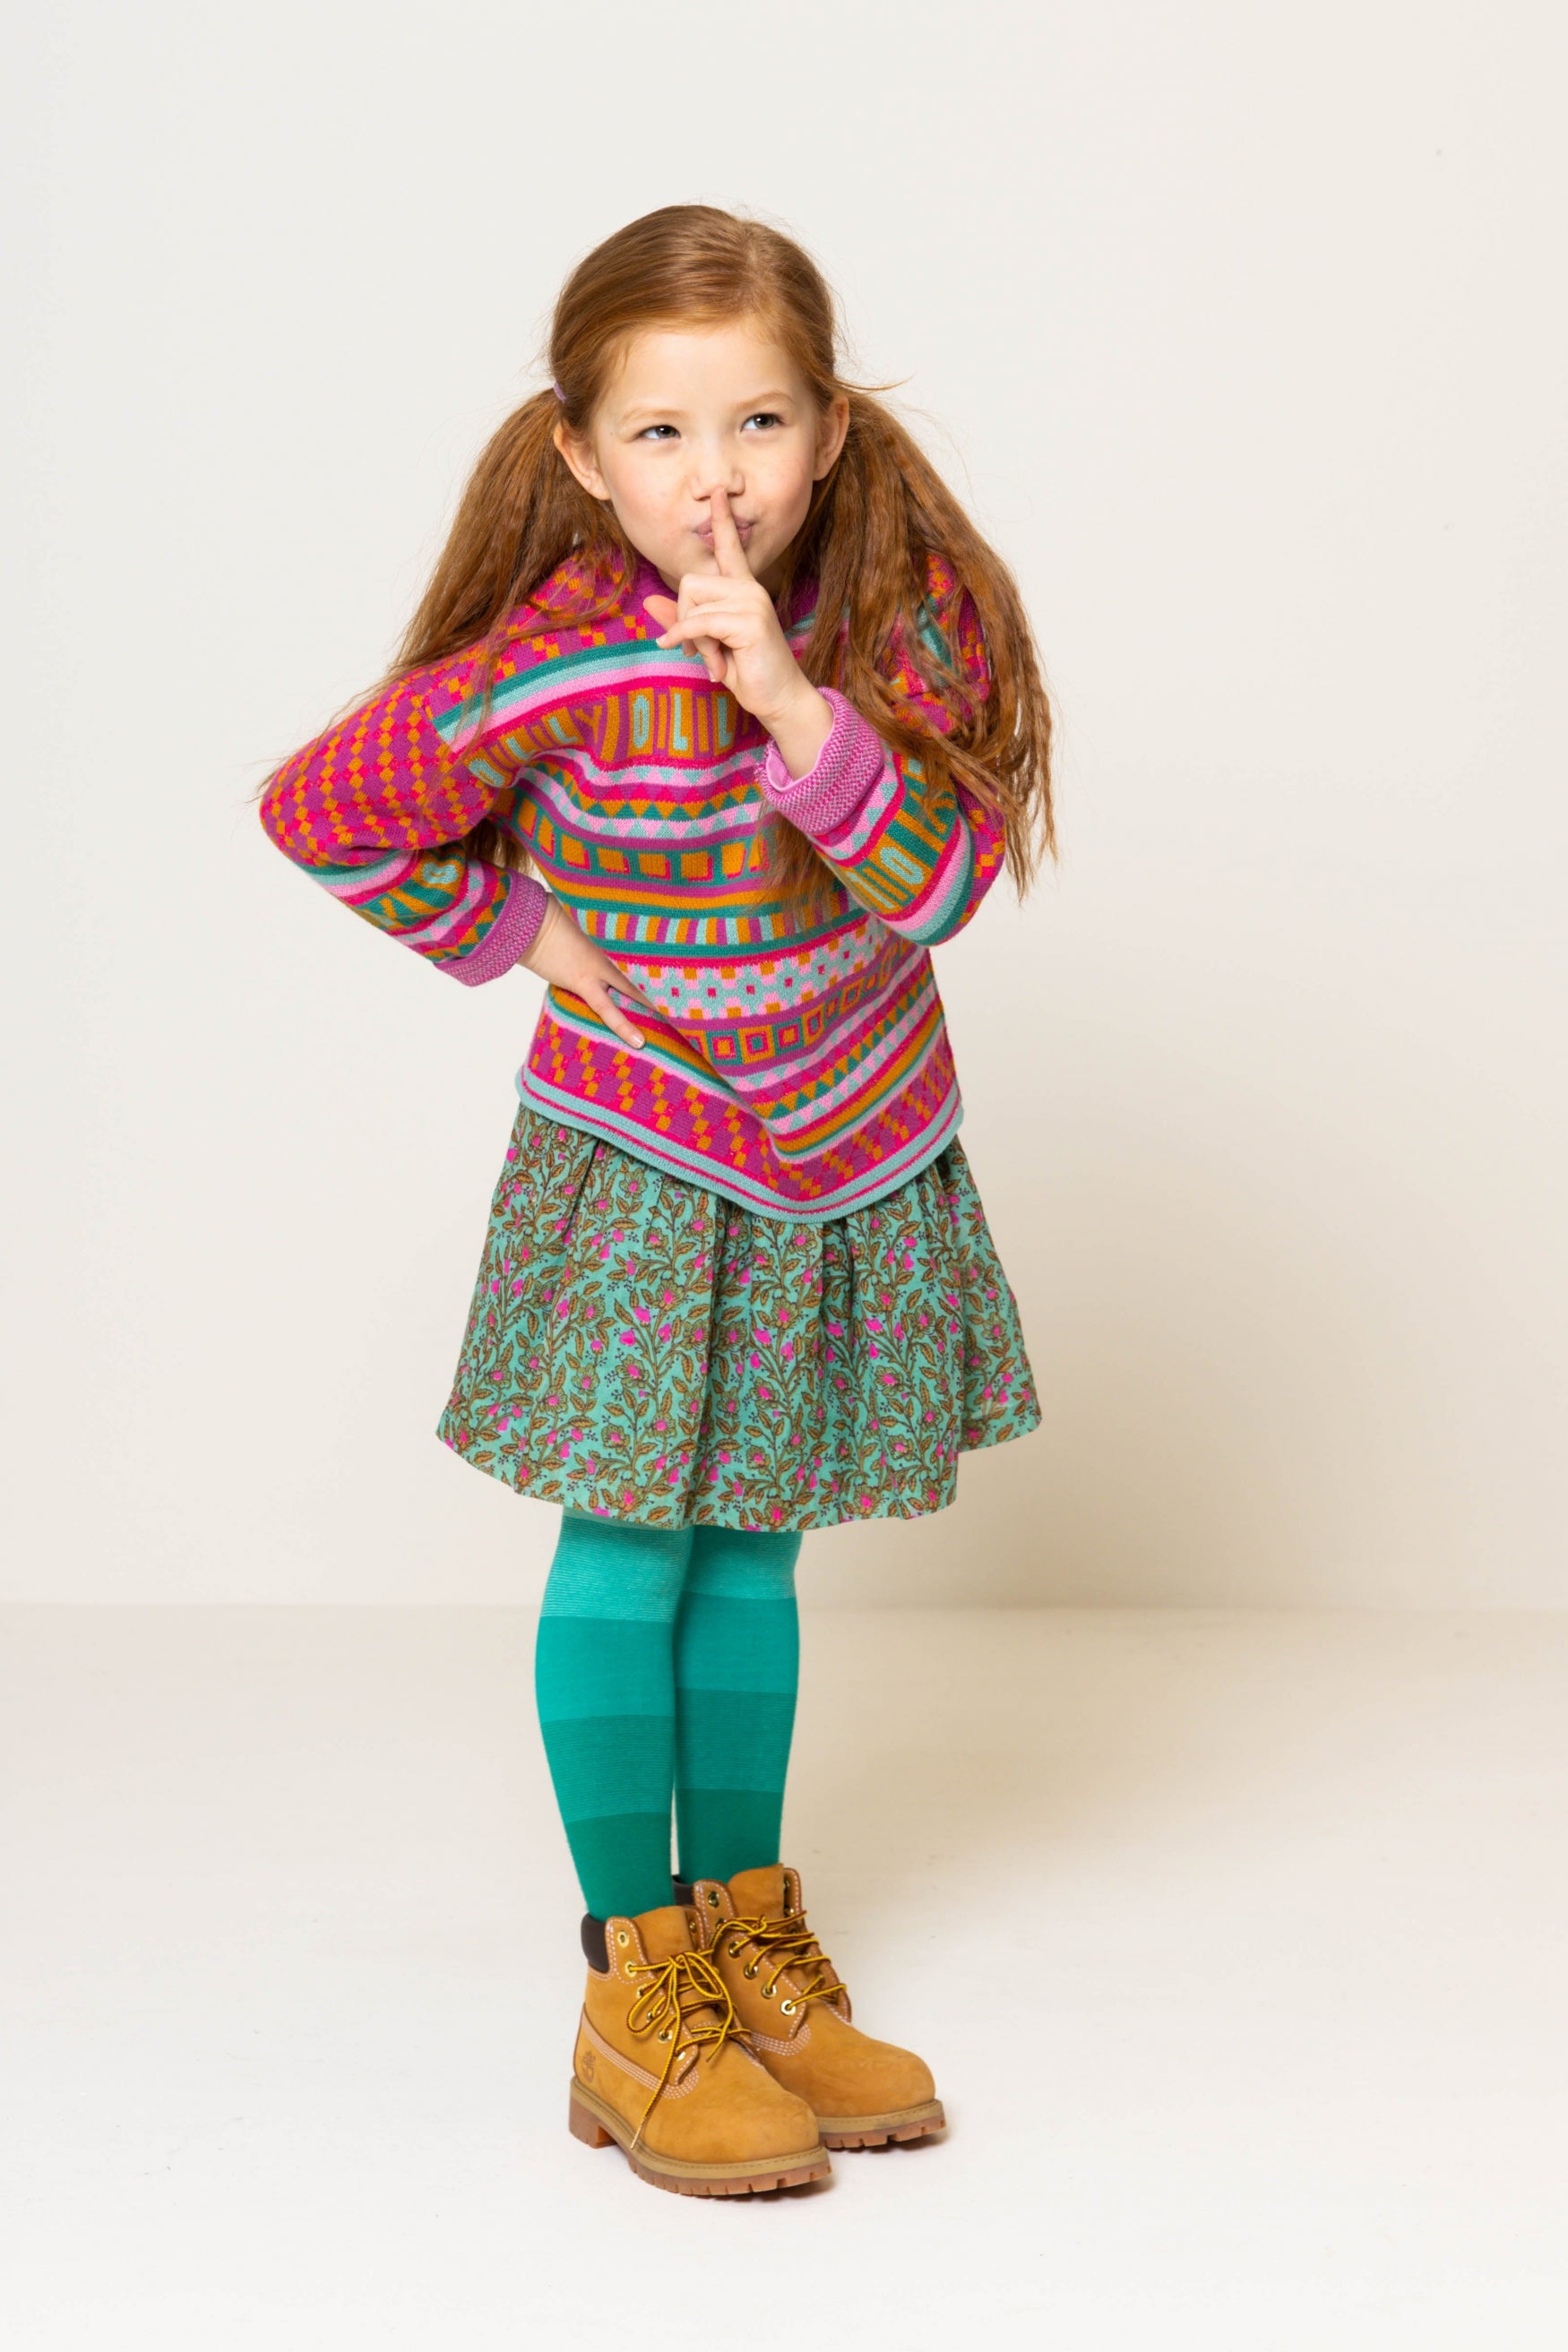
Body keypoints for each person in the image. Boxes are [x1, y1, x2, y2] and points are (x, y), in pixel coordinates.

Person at [258, 204, 1055, 2199]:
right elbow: (320, 807)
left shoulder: (895, 626)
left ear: (830, 428)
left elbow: (944, 888)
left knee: (753, 1553)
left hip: (845, 1145)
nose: (718, 478)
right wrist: (525, 934)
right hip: (647, 1165)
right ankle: (637, 1984)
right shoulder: (554, 660)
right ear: (579, 452)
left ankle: (746, 1933)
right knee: (629, 1550)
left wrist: (787, 700)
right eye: (662, 432)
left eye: (761, 421)